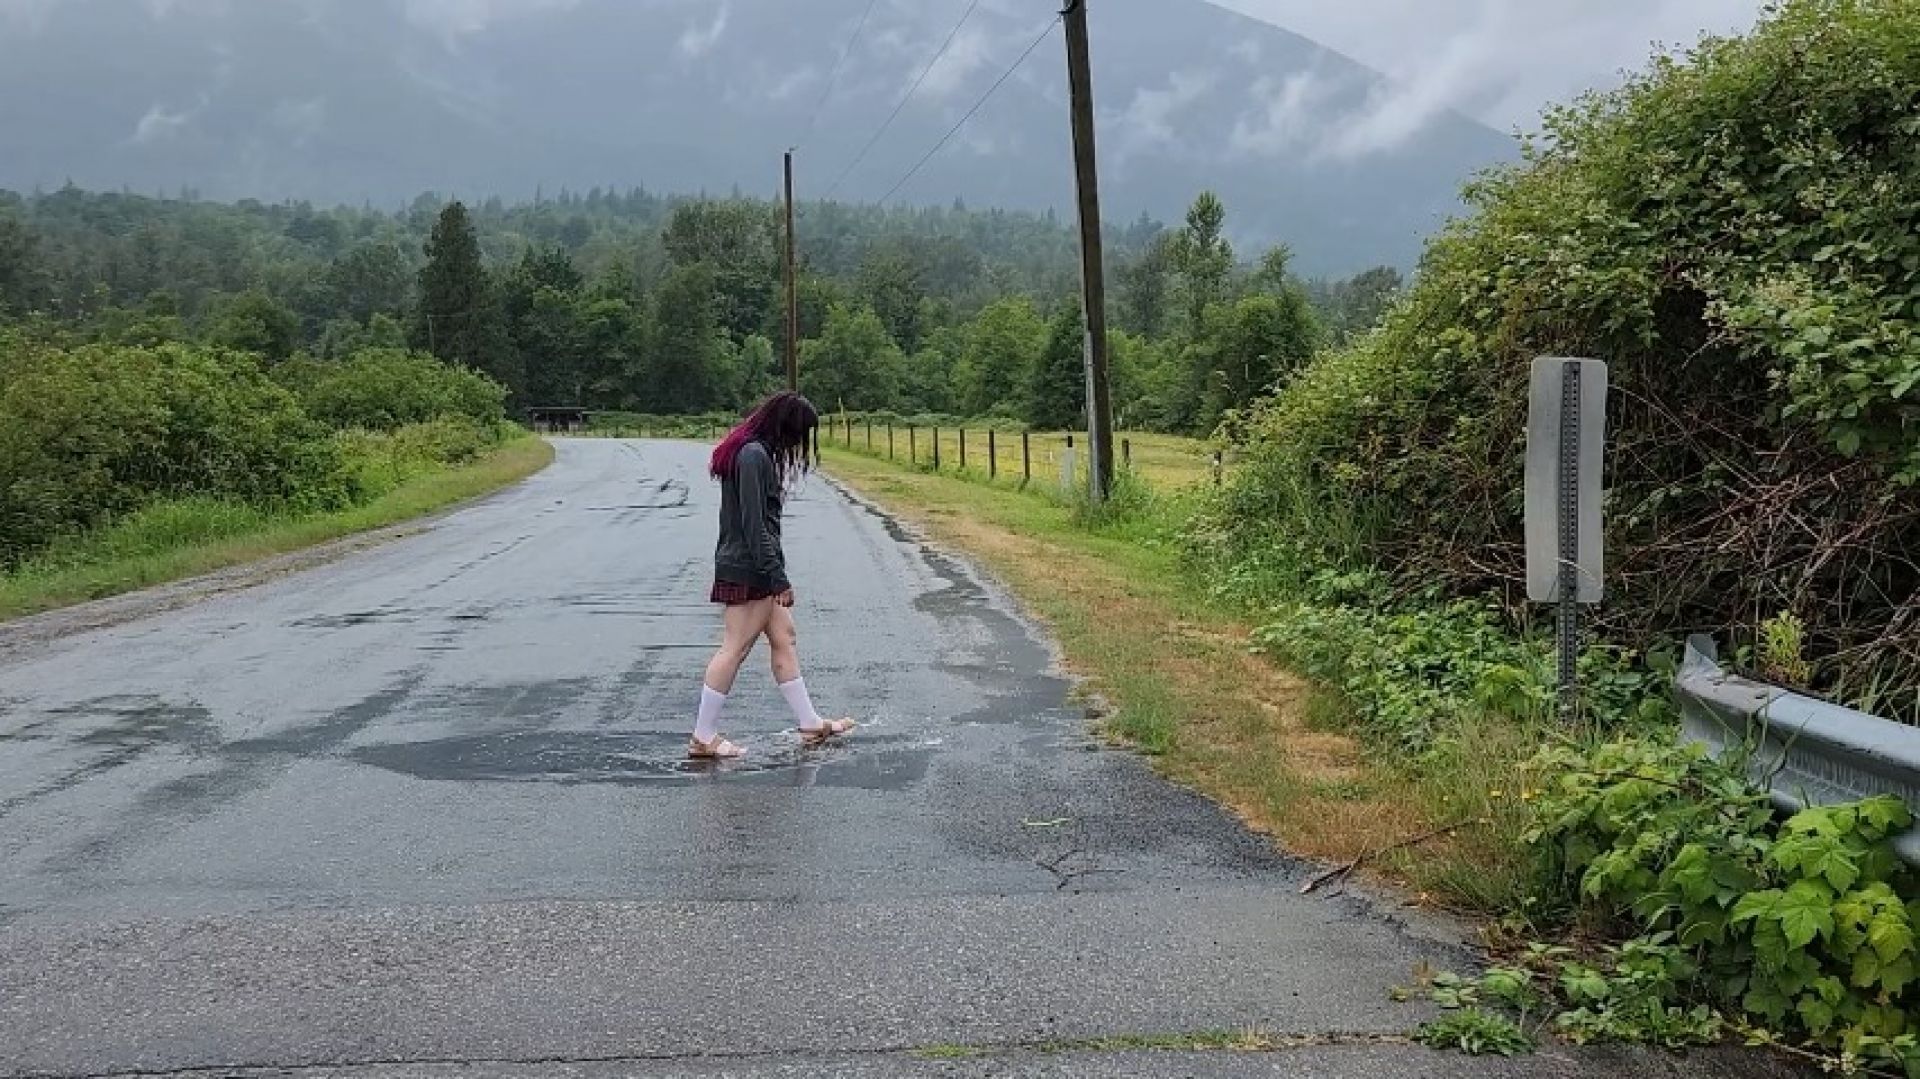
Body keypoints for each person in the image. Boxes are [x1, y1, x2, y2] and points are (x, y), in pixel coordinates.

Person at [688, 391, 855, 760]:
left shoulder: (753, 452)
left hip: (755, 565)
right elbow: (754, 524)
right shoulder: (753, 455)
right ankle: (703, 736)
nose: (799, 443)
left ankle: (810, 723)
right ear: (786, 428)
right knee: (735, 648)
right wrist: (776, 577)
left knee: (784, 637)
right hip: (749, 568)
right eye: (800, 434)